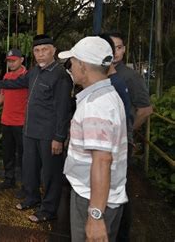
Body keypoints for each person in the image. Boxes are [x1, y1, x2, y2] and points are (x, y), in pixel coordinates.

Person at [0, 34, 73, 223]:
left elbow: (64, 109)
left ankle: (48, 210)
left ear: (53, 51)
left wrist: (59, 137)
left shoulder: (60, 76)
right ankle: (32, 198)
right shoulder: (33, 72)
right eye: (37, 51)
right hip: (30, 131)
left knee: (50, 173)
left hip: (49, 135)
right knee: (29, 168)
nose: (40, 54)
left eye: (45, 50)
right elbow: (14, 83)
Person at [60, 36, 128, 242]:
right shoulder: (108, 95)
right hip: (101, 195)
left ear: (82, 65)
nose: (69, 66)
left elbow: (102, 160)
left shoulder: (95, 105)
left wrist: (96, 215)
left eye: (71, 61)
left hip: (93, 198)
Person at [105, 32, 153, 242]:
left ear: (124, 50)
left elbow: (145, 109)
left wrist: (127, 132)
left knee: (119, 189)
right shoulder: (103, 74)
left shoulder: (130, 76)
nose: (115, 51)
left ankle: (121, 234)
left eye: (119, 47)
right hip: (106, 142)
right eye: (111, 47)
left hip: (121, 143)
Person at [0, 48, 28, 190]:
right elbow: (3, 95)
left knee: (24, 155)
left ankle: (26, 185)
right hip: (6, 121)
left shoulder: (27, 76)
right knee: (7, 153)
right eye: (9, 61)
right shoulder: (6, 76)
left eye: (13, 60)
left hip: (22, 123)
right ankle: (9, 180)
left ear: (21, 60)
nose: (11, 63)